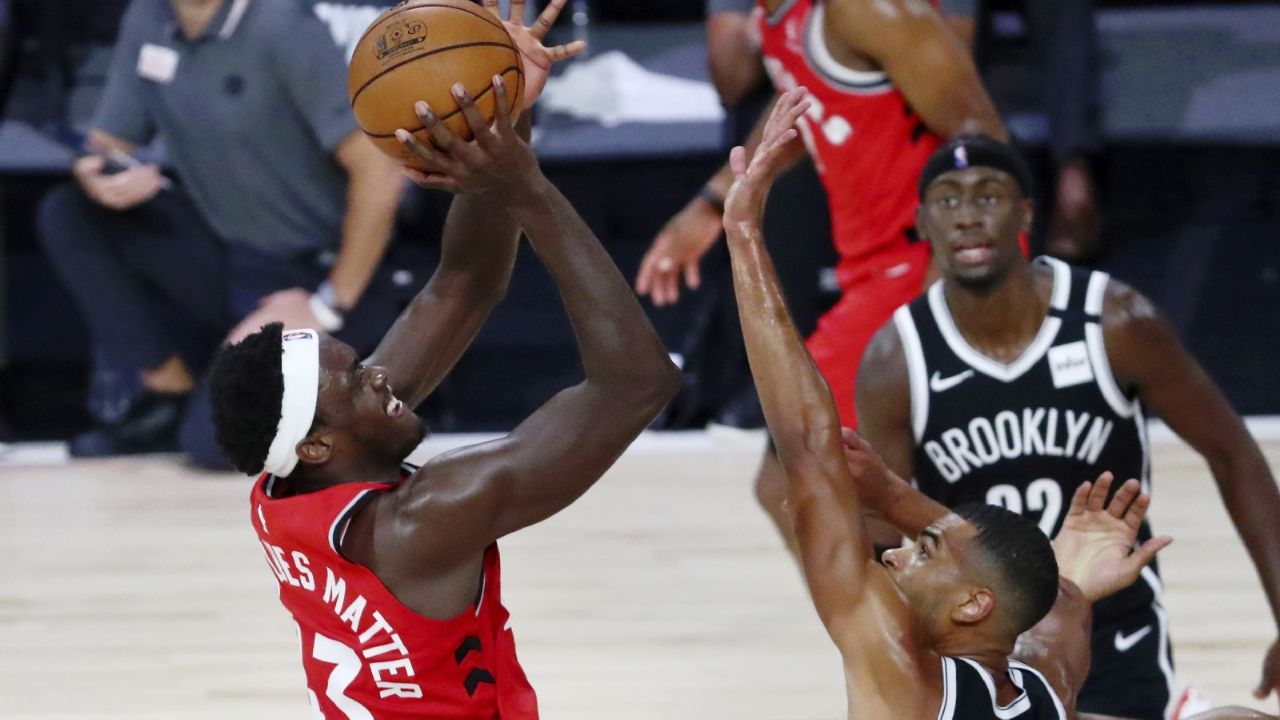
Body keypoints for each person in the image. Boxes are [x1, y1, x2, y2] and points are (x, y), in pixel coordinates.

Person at [726, 90, 1274, 720]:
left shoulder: (903, 678)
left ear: (971, 605)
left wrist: (743, 238)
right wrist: (1066, 585)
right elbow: (1053, 625)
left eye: (922, 550)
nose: (897, 552)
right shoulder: (1048, 683)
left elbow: (808, 444)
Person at [208, 7, 675, 716]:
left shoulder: (289, 489)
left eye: (362, 364)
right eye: (359, 383)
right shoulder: (426, 521)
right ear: (317, 442)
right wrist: (527, 189)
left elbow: (463, 284)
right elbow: (637, 383)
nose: (382, 378)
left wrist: (503, 112)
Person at [855, 133, 1280, 717]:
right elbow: (878, 542)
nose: (969, 216)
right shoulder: (896, 361)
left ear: (1026, 212)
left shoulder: (1114, 321)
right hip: (982, 649)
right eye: (948, 200)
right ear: (923, 222)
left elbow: (1235, 455)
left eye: (989, 195)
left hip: (1113, 629)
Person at [635, 0, 1008, 547]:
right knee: (807, 486)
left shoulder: (865, 10)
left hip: (925, 265)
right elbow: (800, 105)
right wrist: (713, 201)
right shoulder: (776, 18)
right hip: (876, 274)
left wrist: (943, 290)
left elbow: (983, 143)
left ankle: (918, 627)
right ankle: (921, 623)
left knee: (815, 484)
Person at [37, 0, 406, 466]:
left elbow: (380, 171)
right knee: (71, 212)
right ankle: (171, 390)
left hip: (317, 272)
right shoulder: (148, 18)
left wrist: (324, 306)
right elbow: (109, 143)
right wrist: (101, 176)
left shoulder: (283, 27)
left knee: (216, 445)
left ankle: (320, 399)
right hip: (228, 252)